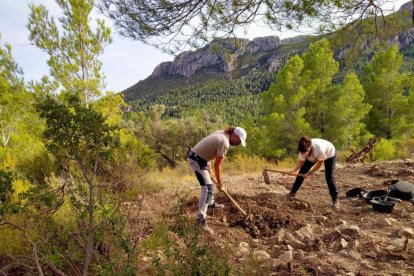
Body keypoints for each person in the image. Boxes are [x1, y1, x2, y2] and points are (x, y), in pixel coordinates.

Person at [188, 126, 247, 234]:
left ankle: (210, 203)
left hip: (202, 159)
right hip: (196, 160)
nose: (238, 143)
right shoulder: (225, 142)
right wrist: (220, 183)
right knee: (208, 188)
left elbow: (209, 148)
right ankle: (200, 221)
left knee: (209, 185)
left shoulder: (222, 133)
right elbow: (218, 166)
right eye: (238, 141)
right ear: (234, 135)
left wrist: (207, 165)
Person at [287, 136, 339, 209]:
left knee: (329, 177)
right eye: (301, 152)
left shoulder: (319, 150)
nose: (303, 154)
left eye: (305, 152)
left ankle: (335, 200)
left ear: (309, 148)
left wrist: (310, 173)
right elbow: (301, 161)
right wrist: (294, 171)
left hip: (329, 153)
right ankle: (292, 192)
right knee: (301, 172)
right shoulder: (302, 150)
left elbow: (319, 163)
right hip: (313, 155)